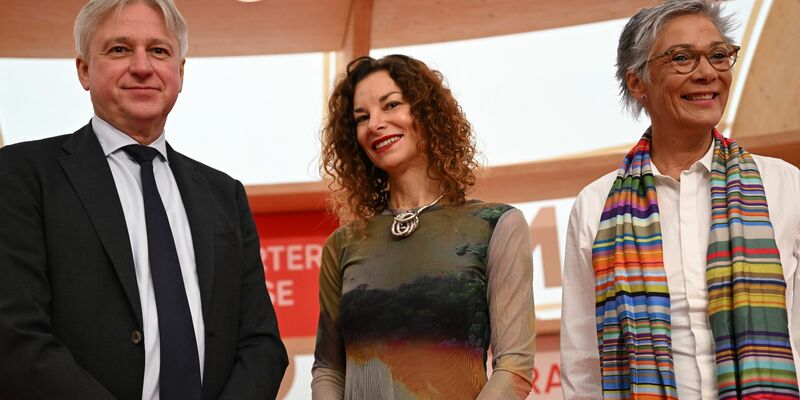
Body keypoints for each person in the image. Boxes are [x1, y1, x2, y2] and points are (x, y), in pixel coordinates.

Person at [0, 0, 288, 399]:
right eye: (119, 49)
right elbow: (15, 335)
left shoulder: (224, 194)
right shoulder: (22, 174)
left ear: (180, 72)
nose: (142, 66)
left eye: (159, 50)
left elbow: (261, 345)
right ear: (84, 69)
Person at [561, 0, 800, 398]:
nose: (707, 73)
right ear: (637, 83)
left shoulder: (785, 185)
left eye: (719, 55)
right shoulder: (595, 206)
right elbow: (582, 365)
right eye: (682, 58)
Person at [312, 54, 536, 399]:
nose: (375, 123)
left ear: (427, 112)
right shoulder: (343, 245)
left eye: (391, 105)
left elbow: (514, 366)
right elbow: (328, 368)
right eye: (362, 118)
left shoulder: (495, 226)